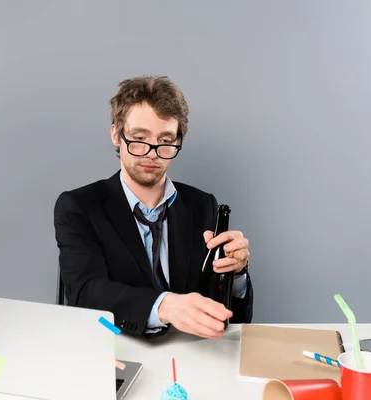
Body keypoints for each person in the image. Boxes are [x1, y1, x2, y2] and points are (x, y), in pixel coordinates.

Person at [53, 76, 252, 339]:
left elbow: (229, 317)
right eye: (139, 138)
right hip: (115, 350)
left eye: (166, 140)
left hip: (191, 356)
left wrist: (236, 275)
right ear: (116, 134)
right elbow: (85, 292)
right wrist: (165, 305)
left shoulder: (202, 205)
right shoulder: (79, 206)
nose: (152, 153)